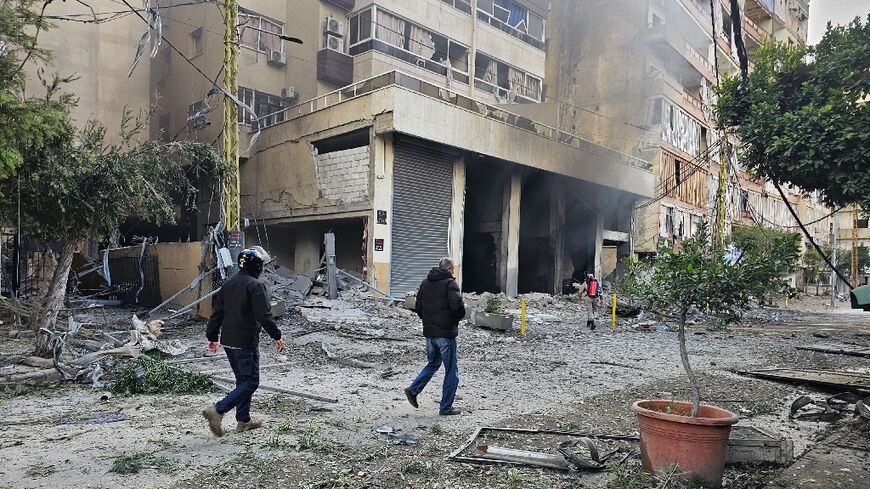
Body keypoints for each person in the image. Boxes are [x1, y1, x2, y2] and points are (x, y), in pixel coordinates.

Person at [202, 248, 285, 437]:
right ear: (257, 266)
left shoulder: (228, 284)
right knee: (251, 382)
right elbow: (264, 315)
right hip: (245, 341)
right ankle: (218, 410)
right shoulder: (255, 285)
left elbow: (217, 314)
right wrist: (277, 335)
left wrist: (212, 337)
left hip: (229, 342)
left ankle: (244, 421)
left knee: (242, 380)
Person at [404, 257, 466, 416]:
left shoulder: (426, 283)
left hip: (430, 335)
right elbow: (458, 308)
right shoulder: (450, 284)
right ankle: (445, 408)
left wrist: (430, 322)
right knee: (451, 371)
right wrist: (453, 321)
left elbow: (418, 308)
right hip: (446, 334)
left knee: (433, 363)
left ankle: (413, 390)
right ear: (451, 269)